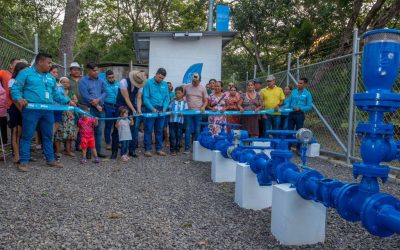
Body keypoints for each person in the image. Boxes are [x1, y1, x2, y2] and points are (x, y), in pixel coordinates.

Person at [10, 53, 76, 172]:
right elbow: (15, 89)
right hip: (31, 110)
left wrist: (68, 101)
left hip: (47, 110)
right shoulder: (25, 73)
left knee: (48, 135)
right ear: (40, 62)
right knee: (27, 136)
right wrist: (19, 98)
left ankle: (50, 159)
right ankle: (24, 161)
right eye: (49, 63)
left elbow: (56, 94)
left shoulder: (50, 77)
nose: (50, 65)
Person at [113, 70, 147, 159]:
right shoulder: (123, 82)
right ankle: (114, 152)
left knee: (133, 129)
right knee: (117, 129)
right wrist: (133, 109)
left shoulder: (141, 83)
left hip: (132, 105)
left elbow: (139, 97)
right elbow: (126, 98)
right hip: (121, 105)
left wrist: (138, 110)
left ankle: (131, 150)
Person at [78, 62, 107, 158]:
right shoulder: (83, 81)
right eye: (94, 70)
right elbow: (84, 95)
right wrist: (95, 103)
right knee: (88, 131)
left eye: (97, 70)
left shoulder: (101, 80)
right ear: (89, 71)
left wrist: (98, 100)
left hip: (100, 109)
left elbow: (105, 92)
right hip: (89, 109)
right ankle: (88, 153)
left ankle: (98, 152)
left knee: (99, 131)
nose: (96, 72)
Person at [142, 68, 170, 157]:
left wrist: (165, 108)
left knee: (159, 130)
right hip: (150, 109)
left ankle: (158, 149)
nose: (161, 79)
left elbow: (167, 98)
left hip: (161, 110)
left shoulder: (165, 84)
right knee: (148, 129)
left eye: (162, 78)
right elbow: (145, 98)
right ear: (156, 74)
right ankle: (147, 149)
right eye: (159, 77)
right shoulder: (148, 83)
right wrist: (152, 108)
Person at [7, 62, 28, 164]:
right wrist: (21, 110)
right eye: (25, 70)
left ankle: (23, 154)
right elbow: (14, 98)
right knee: (16, 132)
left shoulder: (27, 81)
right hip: (16, 108)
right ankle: (16, 155)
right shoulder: (12, 80)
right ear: (19, 70)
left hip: (25, 108)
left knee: (22, 133)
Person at [183, 73, 208, 153]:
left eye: (196, 81)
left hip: (198, 112)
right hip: (188, 112)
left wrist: (203, 107)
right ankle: (187, 148)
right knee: (187, 130)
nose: (194, 83)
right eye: (193, 81)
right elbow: (182, 96)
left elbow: (206, 100)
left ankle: (196, 149)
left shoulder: (203, 88)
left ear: (200, 80)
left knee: (197, 130)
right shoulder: (186, 86)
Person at [54, 77, 78, 157]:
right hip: (60, 113)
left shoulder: (71, 92)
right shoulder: (57, 92)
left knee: (69, 133)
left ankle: (68, 150)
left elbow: (76, 100)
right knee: (59, 132)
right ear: (60, 83)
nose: (65, 84)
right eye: (63, 82)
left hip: (70, 115)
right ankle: (58, 151)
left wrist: (72, 101)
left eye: (67, 82)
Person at [0, 58, 20, 145]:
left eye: (19, 64)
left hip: (19, 104)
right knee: (13, 126)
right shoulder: (4, 73)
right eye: (16, 63)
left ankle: (16, 146)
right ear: (11, 65)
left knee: (18, 127)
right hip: (9, 104)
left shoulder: (21, 76)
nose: (17, 65)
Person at [169, 86, 188, 155]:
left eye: (179, 93)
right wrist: (170, 112)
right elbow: (169, 108)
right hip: (172, 121)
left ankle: (177, 148)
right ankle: (172, 149)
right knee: (172, 134)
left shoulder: (185, 102)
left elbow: (186, 111)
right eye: (176, 93)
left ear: (183, 93)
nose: (177, 95)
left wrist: (183, 113)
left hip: (180, 121)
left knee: (179, 134)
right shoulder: (173, 101)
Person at [103, 70, 119, 150]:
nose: (111, 79)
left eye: (112, 77)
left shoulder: (117, 84)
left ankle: (116, 141)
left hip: (117, 106)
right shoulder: (103, 84)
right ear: (106, 78)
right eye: (109, 78)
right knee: (108, 125)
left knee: (117, 125)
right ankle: (108, 143)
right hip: (108, 106)